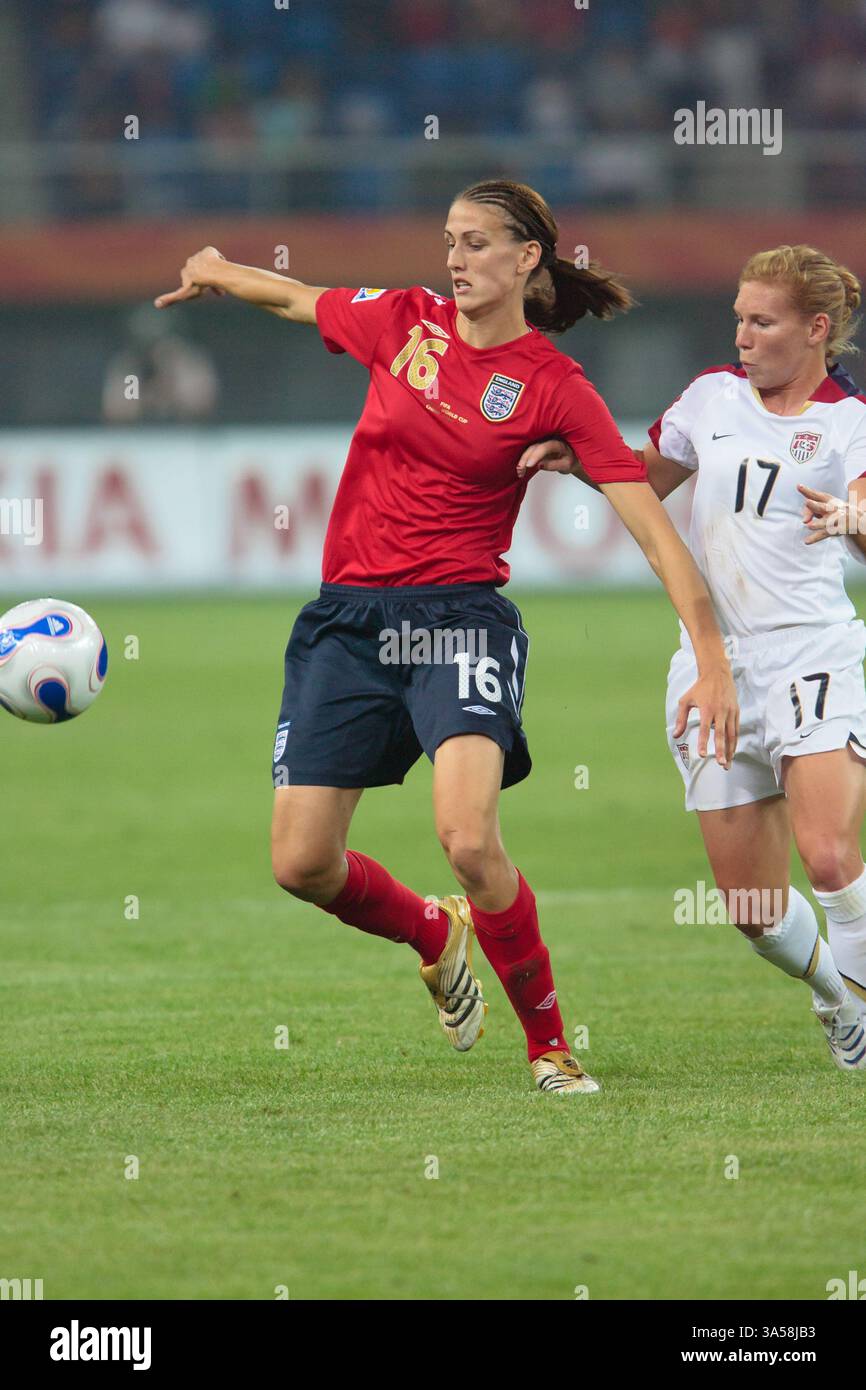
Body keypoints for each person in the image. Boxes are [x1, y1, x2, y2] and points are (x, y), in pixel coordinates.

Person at [155, 179, 737, 1095]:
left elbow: (656, 532)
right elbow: (298, 297)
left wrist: (712, 660)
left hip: (459, 620)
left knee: (468, 838)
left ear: (527, 259)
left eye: (475, 243)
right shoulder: (401, 320)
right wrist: (215, 268)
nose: (456, 259)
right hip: (346, 621)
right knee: (301, 863)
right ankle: (433, 932)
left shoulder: (553, 386)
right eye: (449, 241)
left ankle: (549, 1046)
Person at [517, 243, 866, 1071]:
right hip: (711, 667)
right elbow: (649, 478)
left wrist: (850, 522)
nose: (742, 336)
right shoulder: (711, 398)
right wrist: (584, 467)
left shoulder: (850, 423)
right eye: (738, 317)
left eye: (762, 321)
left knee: (825, 853)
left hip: (811, 653)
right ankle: (837, 1002)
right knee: (749, 903)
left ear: (816, 329)